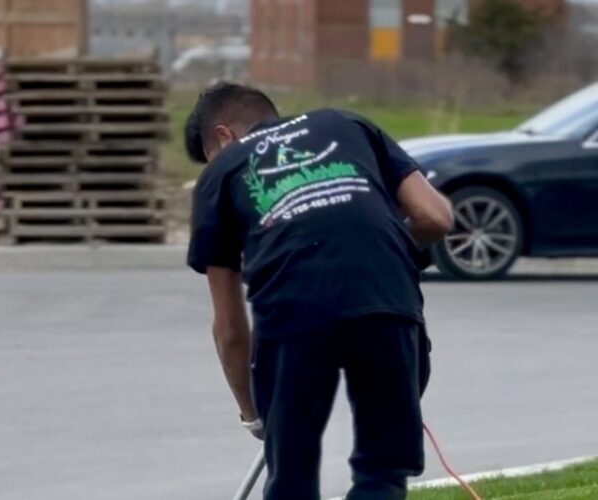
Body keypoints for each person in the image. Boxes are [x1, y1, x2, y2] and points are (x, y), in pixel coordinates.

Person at [185, 82, 453, 500]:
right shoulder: (347, 123)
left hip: (293, 316)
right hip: (385, 300)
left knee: (291, 479)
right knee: (381, 474)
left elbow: (230, 329)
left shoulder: (220, 175)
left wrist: (254, 415)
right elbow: (434, 216)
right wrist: (382, 252)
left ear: (225, 136)